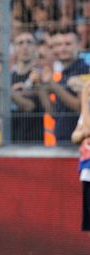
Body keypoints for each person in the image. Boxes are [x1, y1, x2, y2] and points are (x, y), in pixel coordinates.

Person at [42, 28, 90, 143]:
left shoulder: (83, 69)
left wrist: (53, 84)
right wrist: (42, 86)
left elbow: (80, 107)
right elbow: (53, 113)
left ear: (79, 45)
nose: (63, 48)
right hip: (61, 139)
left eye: (68, 44)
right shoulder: (63, 73)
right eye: (59, 44)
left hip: (78, 141)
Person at [71, 79, 90, 231]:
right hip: (87, 170)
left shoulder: (86, 105)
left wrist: (84, 97)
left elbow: (88, 129)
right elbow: (76, 136)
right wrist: (81, 134)